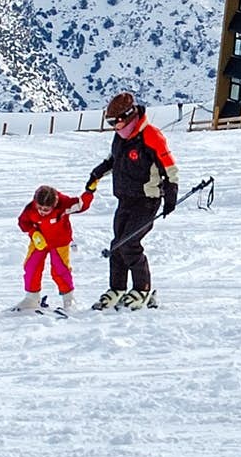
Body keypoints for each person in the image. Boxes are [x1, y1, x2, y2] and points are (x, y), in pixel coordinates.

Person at [86, 92, 178, 311]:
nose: (113, 127)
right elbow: (113, 159)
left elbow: (170, 167)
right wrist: (97, 173)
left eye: (114, 122)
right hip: (125, 198)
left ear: (128, 116)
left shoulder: (151, 135)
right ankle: (117, 288)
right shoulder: (121, 136)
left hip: (147, 200)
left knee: (130, 244)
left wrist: (171, 193)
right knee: (117, 244)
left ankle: (142, 290)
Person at [12, 184, 94, 312]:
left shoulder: (64, 204)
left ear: (54, 204)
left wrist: (89, 191)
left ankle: (68, 299)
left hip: (59, 242)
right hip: (40, 241)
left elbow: (81, 205)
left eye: (46, 209)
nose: (42, 211)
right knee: (31, 266)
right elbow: (23, 222)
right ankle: (32, 298)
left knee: (60, 269)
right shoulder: (30, 208)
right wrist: (33, 232)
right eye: (40, 208)